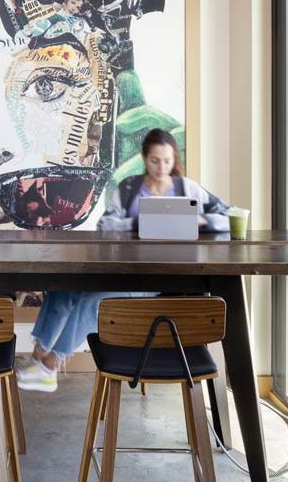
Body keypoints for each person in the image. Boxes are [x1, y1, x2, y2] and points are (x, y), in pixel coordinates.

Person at [15, 128, 231, 392]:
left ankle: (50, 367)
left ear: (174, 159)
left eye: (167, 160)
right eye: (155, 160)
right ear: (145, 158)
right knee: (63, 289)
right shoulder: (129, 189)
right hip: (118, 271)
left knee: (93, 302)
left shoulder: (189, 189)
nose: (161, 167)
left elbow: (229, 216)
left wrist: (202, 221)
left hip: (155, 281)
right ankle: (38, 357)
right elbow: (105, 225)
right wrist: (140, 223)